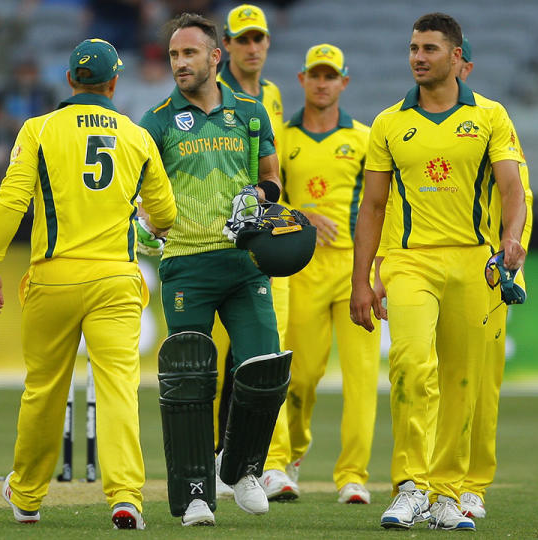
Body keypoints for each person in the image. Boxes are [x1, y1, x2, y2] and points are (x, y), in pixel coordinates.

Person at [0, 38, 176, 530]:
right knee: (117, 389)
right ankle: (125, 495)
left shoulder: (39, 128)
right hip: (115, 278)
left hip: (54, 276)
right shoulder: (136, 136)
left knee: (44, 388)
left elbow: (11, 199)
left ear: (70, 81)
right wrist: (143, 223)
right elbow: (167, 214)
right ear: (114, 82)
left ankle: (26, 495)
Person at [350, 12, 526, 531]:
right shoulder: (388, 123)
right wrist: (361, 281)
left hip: (475, 261)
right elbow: (373, 207)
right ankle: (410, 485)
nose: (418, 58)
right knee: (408, 362)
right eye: (412, 49)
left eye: (428, 48)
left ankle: (447, 493)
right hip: (409, 262)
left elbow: (512, 189)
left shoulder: (491, 116)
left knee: (462, 381)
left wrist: (511, 238)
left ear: (455, 57)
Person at [139, 13, 290, 526]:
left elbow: (272, 179)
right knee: (190, 382)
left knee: (265, 368)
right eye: (174, 55)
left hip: (247, 263)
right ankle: (195, 493)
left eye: (189, 54)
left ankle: (241, 468)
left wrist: (258, 195)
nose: (179, 63)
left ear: (214, 57)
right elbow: (136, 195)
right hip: (185, 265)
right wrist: (141, 222)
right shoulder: (155, 122)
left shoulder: (250, 112)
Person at [274, 43, 379, 505]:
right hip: (301, 269)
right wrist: (302, 216)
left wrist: (376, 270)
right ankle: (291, 452)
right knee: (300, 375)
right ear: (302, 80)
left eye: (330, 75)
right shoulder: (282, 137)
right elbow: (267, 199)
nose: (322, 82)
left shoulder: (364, 138)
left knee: (361, 377)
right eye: (314, 75)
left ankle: (353, 475)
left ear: (344, 82)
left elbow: (381, 206)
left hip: (354, 268)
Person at [213, 3, 295, 502]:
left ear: (266, 43)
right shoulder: (209, 93)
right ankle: (209, 455)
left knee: (249, 353)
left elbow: (274, 167)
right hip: (212, 236)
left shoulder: (273, 96)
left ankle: (237, 460)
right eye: (242, 39)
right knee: (207, 352)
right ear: (226, 46)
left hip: (259, 238)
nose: (251, 47)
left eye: (257, 38)